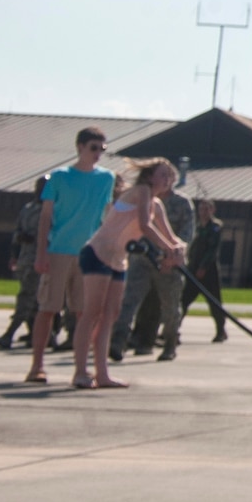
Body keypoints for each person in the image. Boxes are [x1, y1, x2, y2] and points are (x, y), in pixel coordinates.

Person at [72, 158, 188, 390]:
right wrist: (167, 249)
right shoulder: (141, 191)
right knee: (91, 313)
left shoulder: (156, 204)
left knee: (110, 316)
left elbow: (170, 235)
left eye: (171, 176)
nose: (168, 180)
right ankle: (80, 372)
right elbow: (145, 226)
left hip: (118, 260)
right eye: (163, 174)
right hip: (98, 253)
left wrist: (179, 249)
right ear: (149, 176)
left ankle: (102, 373)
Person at [28, 127, 113, 385]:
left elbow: (107, 215)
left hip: (89, 254)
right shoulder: (60, 177)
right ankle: (37, 366)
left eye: (102, 149)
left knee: (84, 313)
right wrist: (42, 252)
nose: (98, 154)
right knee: (48, 309)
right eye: (93, 148)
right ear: (80, 148)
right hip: (58, 251)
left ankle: (81, 369)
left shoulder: (107, 178)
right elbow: (45, 217)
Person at [110, 185, 195, 363]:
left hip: (170, 262)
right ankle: (119, 340)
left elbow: (186, 234)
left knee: (170, 306)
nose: (163, 182)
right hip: (142, 260)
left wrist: (173, 256)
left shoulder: (182, 203)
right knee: (128, 302)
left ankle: (170, 343)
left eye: (168, 177)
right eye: (160, 176)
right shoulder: (142, 200)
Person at [0, 176, 48, 350]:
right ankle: (40, 335)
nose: (40, 190)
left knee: (26, 297)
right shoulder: (28, 208)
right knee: (34, 300)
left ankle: (9, 334)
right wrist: (14, 253)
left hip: (40, 260)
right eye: (39, 186)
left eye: (44, 187)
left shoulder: (53, 210)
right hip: (25, 258)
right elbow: (17, 231)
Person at [179, 195, 226, 344]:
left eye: (207, 209)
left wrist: (203, 267)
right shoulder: (196, 227)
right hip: (193, 269)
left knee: (214, 303)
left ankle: (220, 331)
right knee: (183, 301)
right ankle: (173, 329)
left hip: (208, 271)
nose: (203, 212)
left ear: (213, 210)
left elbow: (212, 250)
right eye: (201, 208)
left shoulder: (215, 227)